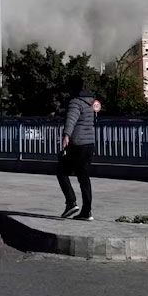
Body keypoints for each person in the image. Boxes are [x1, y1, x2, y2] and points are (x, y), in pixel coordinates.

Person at [57, 82, 97, 221]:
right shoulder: (91, 103)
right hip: (90, 143)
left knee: (61, 170)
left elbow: (71, 120)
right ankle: (87, 212)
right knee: (84, 177)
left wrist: (66, 136)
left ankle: (71, 203)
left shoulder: (75, 102)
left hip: (77, 143)